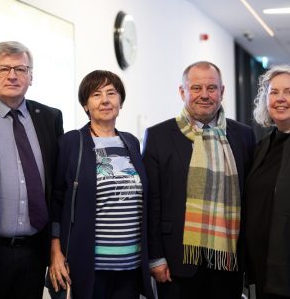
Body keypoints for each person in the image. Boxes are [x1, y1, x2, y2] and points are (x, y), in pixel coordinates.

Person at [142, 61, 255, 299]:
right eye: (196, 88)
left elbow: (249, 197)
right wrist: (155, 257)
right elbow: (151, 202)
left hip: (227, 261)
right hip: (175, 261)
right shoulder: (158, 136)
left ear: (222, 92)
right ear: (182, 91)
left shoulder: (243, 136)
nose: (204, 95)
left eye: (212, 88)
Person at [49, 70, 154, 299]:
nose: (105, 100)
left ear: (120, 101)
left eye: (111, 93)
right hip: (89, 267)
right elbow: (56, 201)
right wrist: (55, 252)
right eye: (96, 95)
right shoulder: (71, 142)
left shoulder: (131, 142)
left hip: (130, 267)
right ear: (86, 105)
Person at [0, 41, 64, 299]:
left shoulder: (50, 118)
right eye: (3, 69)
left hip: (35, 252)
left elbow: (58, 185)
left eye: (21, 69)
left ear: (31, 77)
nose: (12, 75)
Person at [245, 65, 290, 299]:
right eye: (274, 92)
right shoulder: (263, 146)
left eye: (288, 92)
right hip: (263, 267)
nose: (280, 99)